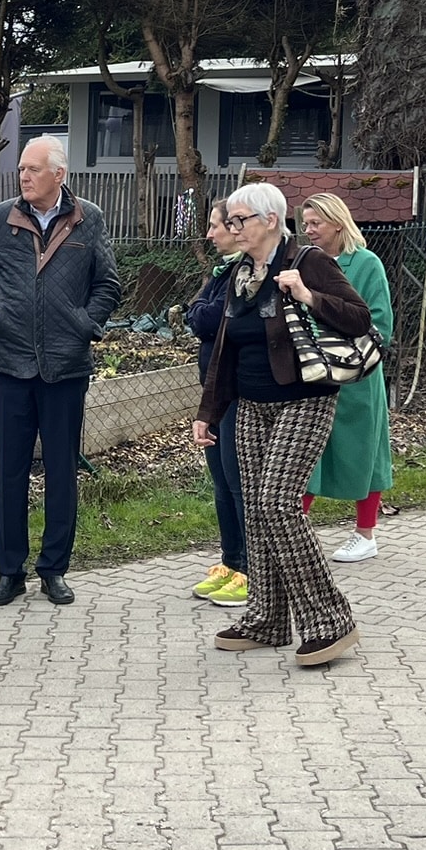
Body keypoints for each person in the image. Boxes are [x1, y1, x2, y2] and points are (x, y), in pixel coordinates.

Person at [192, 182, 372, 666]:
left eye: (240, 220)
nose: (232, 228)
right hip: (251, 404)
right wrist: (209, 411)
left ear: (270, 220)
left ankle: (331, 621)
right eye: (230, 221)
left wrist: (308, 295)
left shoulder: (309, 261)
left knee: (277, 504)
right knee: (255, 509)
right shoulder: (240, 272)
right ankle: (267, 619)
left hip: (304, 400)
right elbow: (225, 348)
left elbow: (360, 318)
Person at [0, 134, 119, 607]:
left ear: (59, 174)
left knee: (61, 471)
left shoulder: (89, 218)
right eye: (22, 169)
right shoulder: (1, 217)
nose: (23, 176)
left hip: (66, 367)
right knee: (9, 471)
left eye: (33, 169)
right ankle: (9, 572)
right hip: (9, 363)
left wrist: (85, 325)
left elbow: (108, 283)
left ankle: (54, 570)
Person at [298, 194, 395, 564]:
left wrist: (340, 343)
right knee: (306, 453)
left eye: (315, 223)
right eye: (305, 223)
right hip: (313, 374)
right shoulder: (305, 262)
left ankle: (365, 534)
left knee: (364, 450)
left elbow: (380, 322)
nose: (308, 230)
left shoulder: (367, 263)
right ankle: (293, 531)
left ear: (337, 223)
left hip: (358, 375)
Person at [183, 202, 247, 607]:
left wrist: (200, 313)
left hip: (237, 392)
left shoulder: (245, 273)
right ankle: (230, 560)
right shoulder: (222, 272)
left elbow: (209, 320)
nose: (209, 234)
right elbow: (196, 313)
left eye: (214, 226)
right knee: (221, 483)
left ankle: (251, 570)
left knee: (238, 483)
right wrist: (200, 312)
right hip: (214, 391)